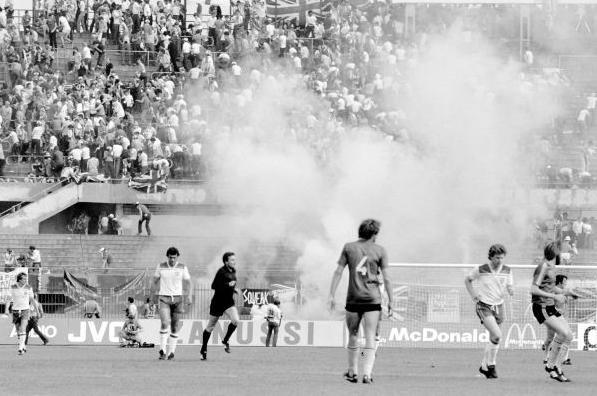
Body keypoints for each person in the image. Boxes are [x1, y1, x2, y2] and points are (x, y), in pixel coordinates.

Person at [328, 219, 393, 384]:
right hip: (373, 299)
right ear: (374, 234)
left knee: (353, 335)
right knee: (371, 336)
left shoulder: (349, 247)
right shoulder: (380, 250)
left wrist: (331, 295)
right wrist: (391, 300)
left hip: (353, 299)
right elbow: (387, 278)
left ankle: (352, 371)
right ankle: (367, 374)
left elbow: (338, 272)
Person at [464, 244, 513, 379]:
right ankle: (491, 365)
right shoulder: (481, 269)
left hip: (499, 306)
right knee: (497, 335)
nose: (500, 260)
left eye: (502, 258)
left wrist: (510, 289)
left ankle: (484, 367)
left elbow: (509, 285)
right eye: (497, 258)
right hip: (484, 305)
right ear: (491, 257)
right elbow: (467, 280)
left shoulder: (507, 270)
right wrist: (474, 295)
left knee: (493, 338)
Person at [532, 241, 578, 382]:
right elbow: (533, 289)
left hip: (550, 306)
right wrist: (554, 296)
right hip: (541, 307)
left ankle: (554, 367)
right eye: (560, 253)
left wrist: (566, 292)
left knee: (569, 335)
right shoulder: (544, 267)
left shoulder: (551, 267)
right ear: (555, 253)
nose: (562, 257)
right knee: (563, 333)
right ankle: (552, 366)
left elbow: (551, 288)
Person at [150, 247, 192, 360]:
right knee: (164, 323)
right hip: (164, 299)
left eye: (174, 257)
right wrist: (152, 296)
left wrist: (188, 296)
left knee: (174, 327)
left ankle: (171, 352)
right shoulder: (161, 266)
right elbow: (154, 281)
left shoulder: (183, 267)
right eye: (170, 257)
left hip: (178, 300)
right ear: (167, 256)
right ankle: (162, 350)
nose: (172, 260)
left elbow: (188, 283)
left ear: (177, 257)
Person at [200, 252, 240, 360]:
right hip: (218, 302)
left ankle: (225, 340)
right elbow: (214, 286)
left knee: (235, 320)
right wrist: (228, 285)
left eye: (234, 259)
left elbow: (231, 284)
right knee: (210, 326)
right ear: (226, 261)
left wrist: (234, 289)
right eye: (232, 260)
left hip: (228, 302)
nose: (234, 261)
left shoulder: (233, 271)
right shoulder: (221, 272)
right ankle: (203, 348)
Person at [542, 275, 577, 366]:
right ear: (560, 283)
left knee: (567, 336)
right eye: (565, 282)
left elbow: (565, 305)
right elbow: (550, 306)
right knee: (550, 338)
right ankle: (546, 357)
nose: (566, 283)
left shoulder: (564, 292)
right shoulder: (554, 293)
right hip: (552, 317)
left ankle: (565, 359)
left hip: (562, 318)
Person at [6, 273, 34, 355]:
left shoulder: (29, 287)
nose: (25, 280)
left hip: (25, 310)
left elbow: (32, 299)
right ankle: (23, 346)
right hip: (15, 310)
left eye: (26, 279)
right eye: (24, 279)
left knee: (23, 328)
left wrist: (33, 309)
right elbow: (8, 299)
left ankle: (20, 348)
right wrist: (7, 309)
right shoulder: (12, 287)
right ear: (19, 279)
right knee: (18, 330)